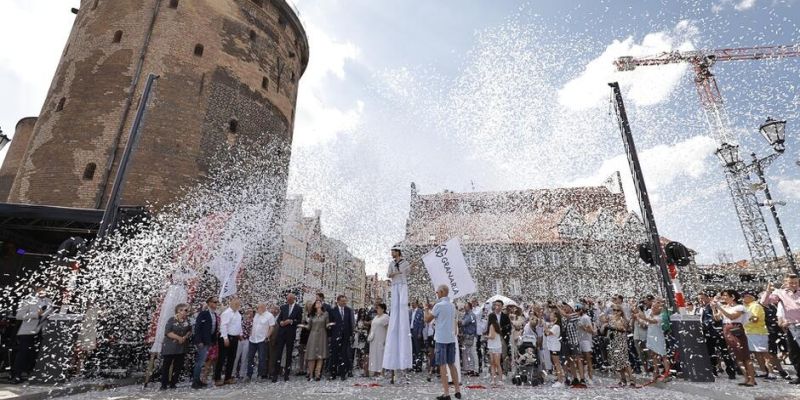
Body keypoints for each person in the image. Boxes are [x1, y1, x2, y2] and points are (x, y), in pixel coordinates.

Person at [383, 245, 415, 383]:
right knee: (396, 305)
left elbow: (409, 272)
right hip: (395, 284)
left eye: (393, 251)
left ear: (398, 252)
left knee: (402, 304)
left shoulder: (404, 262)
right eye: (391, 251)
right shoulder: (392, 264)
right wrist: (396, 273)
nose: (391, 253)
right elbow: (388, 275)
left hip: (402, 285)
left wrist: (410, 268)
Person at [761, 273, 800, 384]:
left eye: (795, 282)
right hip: (791, 326)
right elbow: (764, 302)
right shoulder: (780, 293)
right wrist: (768, 291)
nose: (793, 285)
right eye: (791, 282)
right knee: (794, 353)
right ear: (786, 282)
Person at [425, 285, 462, 400]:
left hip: (441, 338)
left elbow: (427, 320)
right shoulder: (452, 306)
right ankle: (457, 390)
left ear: (441, 292)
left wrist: (426, 309)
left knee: (442, 365)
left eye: (437, 292)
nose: (436, 294)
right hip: (450, 338)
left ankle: (446, 393)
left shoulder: (439, 305)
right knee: (452, 364)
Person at [713, 289, 756, 386]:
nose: (724, 298)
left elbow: (732, 317)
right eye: (723, 296)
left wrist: (720, 308)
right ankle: (746, 378)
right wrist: (714, 308)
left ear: (733, 297)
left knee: (744, 356)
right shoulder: (724, 307)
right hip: (726, 329)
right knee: (737, 356)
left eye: (726, 296)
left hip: (736, 329)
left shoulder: (739, 307)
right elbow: (717, 318)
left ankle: (752, 379)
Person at [11, 286, 54, 384]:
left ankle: (32, 373)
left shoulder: (49, 301)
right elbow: (19, 316)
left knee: (35, 354)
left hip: (41, 331)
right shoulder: (28, 301)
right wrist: (35, 314)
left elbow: (48, 314)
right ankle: (17, 374)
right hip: (27, 331)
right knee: (23, 353)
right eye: (40, 291)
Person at [697, 292, 737, 379]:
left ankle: (731, 371)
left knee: (724, 352)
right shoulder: (700, 308)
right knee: (711, 353)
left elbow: (716, 318)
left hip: (717, 332)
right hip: (707, 333)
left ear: (707, 298)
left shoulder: (713, 306)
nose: (701, 300)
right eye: (699, 299)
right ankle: (713, 371)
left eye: (702, 298)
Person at [741, 291, 774, 379]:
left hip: (758, 332)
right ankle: (763, 371)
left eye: (746, 296)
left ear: (752, 297)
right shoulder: (747, 307)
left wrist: (745, 316)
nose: (744, 298)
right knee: (756, 353)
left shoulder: (755, 306)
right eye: (743, 296)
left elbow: (755, 319)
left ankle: (771, 372)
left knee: (764, 353)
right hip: (750, 332)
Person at [637, 298, 670, 383]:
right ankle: (656, 372)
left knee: (663, 355)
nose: (653, 309)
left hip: (658, 338)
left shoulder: (660, 316)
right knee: (653, 355)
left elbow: (652, 321)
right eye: (652, 307)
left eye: (655, 308)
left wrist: (644, 318)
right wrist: (638, 315)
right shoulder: (649, 312)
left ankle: (667, 373)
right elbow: (645, 322)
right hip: (651, 337)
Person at [272, 293, 303, 382]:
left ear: (293, 299)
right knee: (279, 353)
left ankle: (287, 374)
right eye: (287, 299)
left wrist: (291, 321)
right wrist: (281, 322)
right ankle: (276, 374)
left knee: (289, 353)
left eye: (290, 299)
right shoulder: (283, 307)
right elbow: (279, 318)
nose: (288, 300)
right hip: (282, 333)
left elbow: (299, 320)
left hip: (290, 333)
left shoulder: (298, 308)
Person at [160, 303, 192, 390]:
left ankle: (173, 383)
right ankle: (164, 384)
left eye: (187, 310)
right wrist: (178, 338)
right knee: (166, 366)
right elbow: (168, 332)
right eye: (185, 310)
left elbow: (189, 330)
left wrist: (185, 337)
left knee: (178, 366)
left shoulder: (187, 321)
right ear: (179, 311)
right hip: (170, 347)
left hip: (181, 347)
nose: (187, 312)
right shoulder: (172, 320)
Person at [214, 298, 242, 386]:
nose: (237, 306)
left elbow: (239, 325)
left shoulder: (238, 314)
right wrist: (225, 338)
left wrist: (240, 334)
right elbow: (223, 325)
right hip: (226, 337)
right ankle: (217, 378)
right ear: (231, 304)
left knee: (232, 358)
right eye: (235, 304)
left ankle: (228, 377)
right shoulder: (226, 313)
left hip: (235, 337)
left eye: (238, 304)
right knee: (222, 358)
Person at [192, 297, 219, 389]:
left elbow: (213, 329)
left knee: (203, 361)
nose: (215, 304)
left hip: (209, 342)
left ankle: (199, 380)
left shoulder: (215, 315)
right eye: (213, 302)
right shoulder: (203, 314)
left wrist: (213, 341)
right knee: (200, 362)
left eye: (216, 302)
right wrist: (199, 341)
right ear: (208, 303)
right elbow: (197, 328)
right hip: (202, 342)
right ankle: (195, 382)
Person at [328, 295, 355, 381]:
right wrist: (330, 335)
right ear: (338, 301)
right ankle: (333, 373)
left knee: (344, 355)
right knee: (334, 355)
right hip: (335, 336)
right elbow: (330, 324)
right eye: (342, 301)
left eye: (345, 301)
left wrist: (351, 335)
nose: (344, 303)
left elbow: (350, 323)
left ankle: (343, 373)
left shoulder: (348, 310)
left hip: (345, 336)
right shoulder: (332, 311)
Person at [302, 299, 330, 381]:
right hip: (313, 335)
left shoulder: (325, 314)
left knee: (320, 355)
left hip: (322, 335)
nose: (318, 304)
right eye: (317, 303)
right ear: (314, 306)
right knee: (311, 355)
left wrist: (330, 325)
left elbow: (327, 324)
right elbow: (309, 327)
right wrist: (303, 325)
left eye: (319, 303)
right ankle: (310, 374)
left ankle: (317, 374)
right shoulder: (312, 315)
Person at [607, 305, 634, 387]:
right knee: (617, 361)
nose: (615, 312)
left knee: (624, 361)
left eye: (617, 310)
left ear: (621, 311)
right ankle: (623, 379)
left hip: (621, 342)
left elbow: (625, 329)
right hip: (614, 341)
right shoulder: (611, 319)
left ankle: (632, 379)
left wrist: (615, 328)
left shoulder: (623, 319)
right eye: (614, 310)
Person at [246, 303, 275, 380]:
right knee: (250, 357)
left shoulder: (269, 316)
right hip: (253, 339)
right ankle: (249, 374)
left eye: (258, 308)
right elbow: (254, 325)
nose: (257, 309)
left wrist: (267, 336)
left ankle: (260, 374)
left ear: (263, 307)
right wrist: (251, 334)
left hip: (262, 339)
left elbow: (271, 327)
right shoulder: (257, 315)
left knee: (261, 358)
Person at [489, 300, 512, 373]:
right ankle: (494, 370)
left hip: (502, 336)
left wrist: (502, 329)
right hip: (493, 336)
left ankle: (504, 370)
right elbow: (488, 326)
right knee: (493, 354)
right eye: (496, 305)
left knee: (503, 353)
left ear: (502, 306)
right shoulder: (491, 315)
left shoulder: (505, 316)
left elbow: (509, 327)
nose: (497, 307)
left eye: (499, 305)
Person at [544, 310, 565, 388]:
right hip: (552, 346)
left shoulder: (556, 326)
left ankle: (560, 381)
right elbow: (546, 333)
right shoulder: (552, 325)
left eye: (552, 315)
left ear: (556, 318)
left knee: (557, 364)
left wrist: (545, 327)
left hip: (555, 346)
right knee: (555, 364)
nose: (550, 316)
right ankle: (559, 379)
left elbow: (548, 333)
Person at [368, 303, 390, 377]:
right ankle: (374, 370)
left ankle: (381, 371)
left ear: (383, 309)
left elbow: (387, 328)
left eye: (379, 308)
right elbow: (372, 326)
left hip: (381, 338)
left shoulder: (385, 317)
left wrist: (386, 339)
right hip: (374, 338)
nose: (377, 309)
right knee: (374, 354)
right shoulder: (376, 317)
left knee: (381, 355)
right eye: (377, 308)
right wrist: (370, 335)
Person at [576, 304, 595, 384]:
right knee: (581, 359)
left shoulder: (586, 318)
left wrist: (582, 327)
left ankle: (590, 378)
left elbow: (591, 330)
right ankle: (583, 376)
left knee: (588, 359)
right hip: (580, 340)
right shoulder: (579, 318)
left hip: (586, 340)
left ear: (581, 310)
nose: (576, 312)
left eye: (577, 310)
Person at [233, 307, 253, 379]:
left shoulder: (254, 322)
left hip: (247, 340)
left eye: (251, 312)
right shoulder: (242, 320)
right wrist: (240, 336)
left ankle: (242, 374)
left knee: (244, 357)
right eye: (248, 312)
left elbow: (252, 331)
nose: (249, 313)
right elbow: (238, 328)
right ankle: (233, 373)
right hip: (240, 339)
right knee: (236, 356)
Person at [486, 305, 503, 387]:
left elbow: (492, 336)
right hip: (497, 345)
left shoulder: (492, 326)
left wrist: (486, 337)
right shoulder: (497, 325)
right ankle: (498, 379)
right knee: (496, 363)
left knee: (494, 363)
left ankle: (495, 379)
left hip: (493, 346)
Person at [460, 301, 478, 376]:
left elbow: (464, 323)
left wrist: (457, 320)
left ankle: (474, 369)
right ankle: (468, 368)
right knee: (466, 353)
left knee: (471, 353)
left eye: (466, 306)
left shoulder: (471, 315)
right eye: (464, 306)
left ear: (470, 307)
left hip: (471, 336)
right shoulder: (465, 314)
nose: (465, 307)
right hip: (465, 336)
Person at [410, 300, 426, 372]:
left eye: (413, 303)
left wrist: (420, 332)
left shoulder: (420, 311)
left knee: (418, 349)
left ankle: (419, 365)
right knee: (412, 349)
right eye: (411, 303)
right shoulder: (410, 312)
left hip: (417, 332)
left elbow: (421, 323)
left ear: (416, 304)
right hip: (411, 331)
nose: (412, 304)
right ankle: (413, 365)